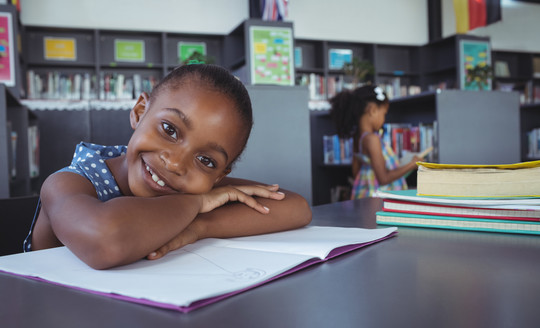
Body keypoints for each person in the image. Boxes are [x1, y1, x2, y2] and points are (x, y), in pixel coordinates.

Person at [25, 64, 312, 269]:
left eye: (207, 160)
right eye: (170, 130)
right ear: (140, 112)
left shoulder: (189, 185)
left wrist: (199, 227)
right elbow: (106, 240)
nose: (175, 163)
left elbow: (296, 208)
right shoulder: (69, 183)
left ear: (220, 176)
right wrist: (197, 203)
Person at [329, 85, 422, 199]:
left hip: (365, 193)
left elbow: (356, 172)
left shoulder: (358, 138)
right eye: (384, 114)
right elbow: (384, 179)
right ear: (372, 110)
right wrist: (412, 165)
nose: (384, 119)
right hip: (378, 197)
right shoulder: (373, 139)